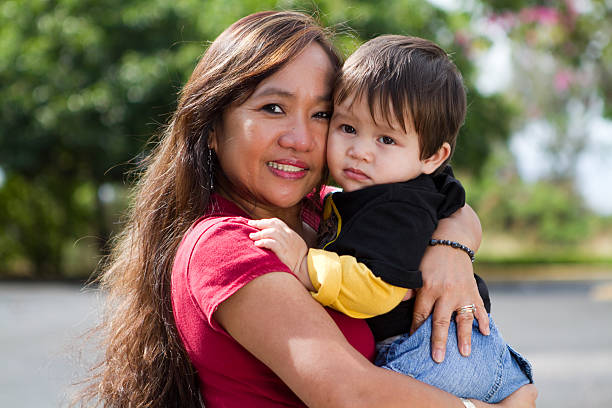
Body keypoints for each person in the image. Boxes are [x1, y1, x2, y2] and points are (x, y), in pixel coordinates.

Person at [80, 11, 537, 408]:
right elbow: (349, 395)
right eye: (273, 107)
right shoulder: (226, 247)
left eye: (321, 115)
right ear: (212, 129)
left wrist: (450, 248)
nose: (300, 139)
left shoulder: (320, 213)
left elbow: (439, 197)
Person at [248, 35, 533, 404]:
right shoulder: (399, 191)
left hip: (436, 354)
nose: (360, 152)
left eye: (386, 139)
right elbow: (456, 201)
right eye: (347, 128)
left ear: (432, 156)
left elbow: (376, 290)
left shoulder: (396, 208)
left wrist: (305, 264)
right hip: (455, 353)